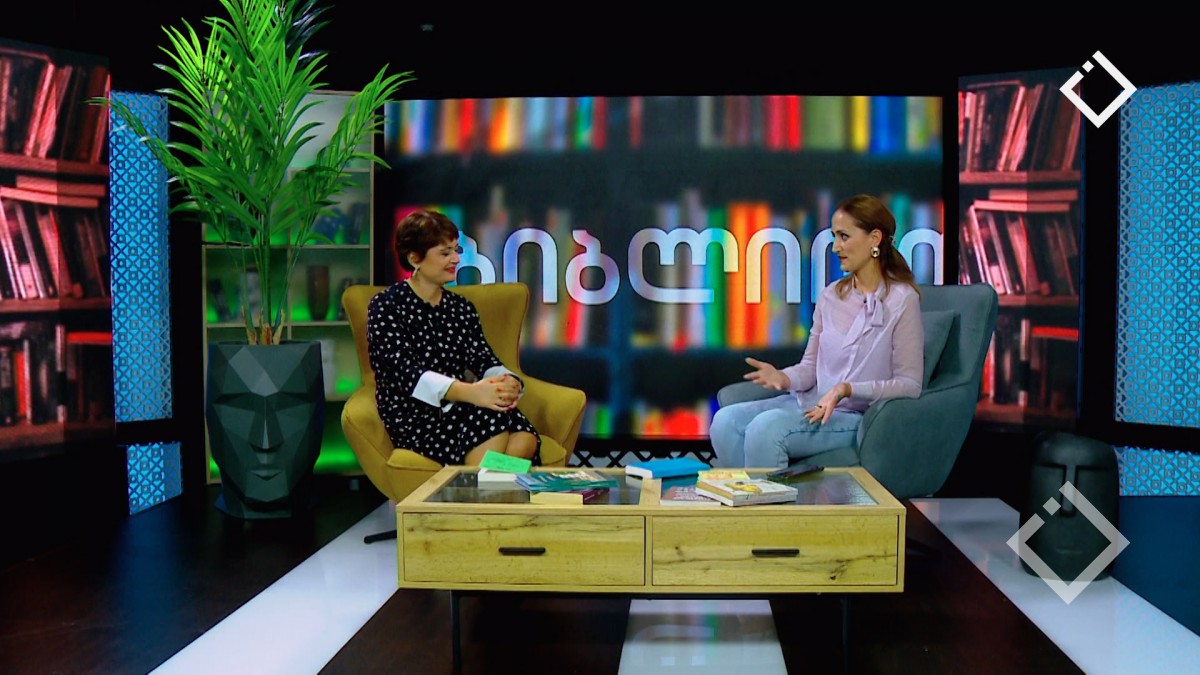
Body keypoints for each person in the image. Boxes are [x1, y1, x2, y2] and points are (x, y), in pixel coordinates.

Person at [710, 194, 924, 469]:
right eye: (834, 237)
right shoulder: (830, 296)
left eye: (844, 236)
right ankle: (748, 497)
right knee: (724, 421)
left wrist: (846, 389)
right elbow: (810, 368)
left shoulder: (903, 300)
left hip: (853, 416)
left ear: (874, 239)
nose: (835, 247)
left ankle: (769, 498)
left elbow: (909, 385)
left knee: (766, 429)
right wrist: (783, 377)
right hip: (809, 405)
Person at [367, 209, 540, 466]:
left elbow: (482, 358)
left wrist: (507, 381)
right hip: (416, 413)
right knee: (492, 420)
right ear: (415, 258)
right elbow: (407, 373)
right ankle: (482, 482)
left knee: (526, 437)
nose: (456, 259)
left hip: (462, 404)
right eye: (445, 253)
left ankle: (479, 481)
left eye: (456, 250)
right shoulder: (386, 306)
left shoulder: (461, 308)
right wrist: (473, 393)